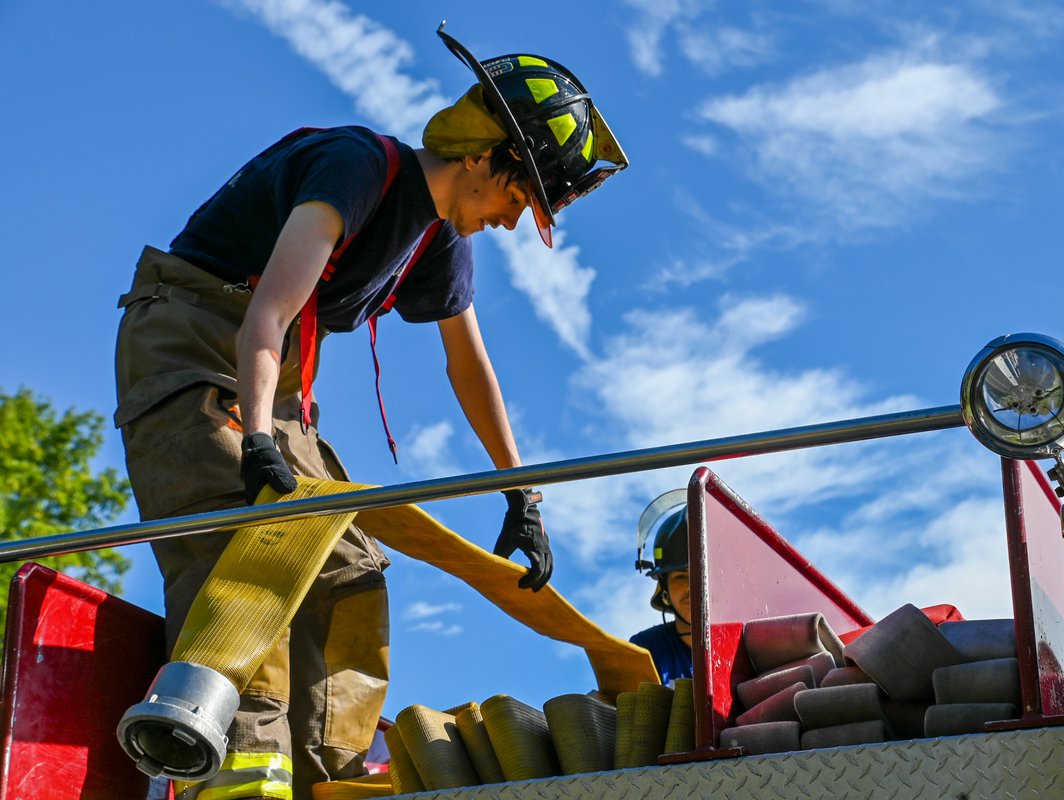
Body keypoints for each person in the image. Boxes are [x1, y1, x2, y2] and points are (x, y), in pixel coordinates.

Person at [113, 24, 627, 800]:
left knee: (347, 565)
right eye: (522, 198)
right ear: (484, 158)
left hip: (274, 378)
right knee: (247, 544)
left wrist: (523, 492)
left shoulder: (441, 237)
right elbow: (268, 316)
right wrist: (256, 442)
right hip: (194, 338)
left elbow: (469, 367)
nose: (516, 220)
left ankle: (331, 782)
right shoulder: (355, 168)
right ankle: (241, 781)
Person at [631, 489, 694, 686]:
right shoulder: (645, 651)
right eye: (681, 576)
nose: (693, 588)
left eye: (703, 576)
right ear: (664, 586)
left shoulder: (749, 649)